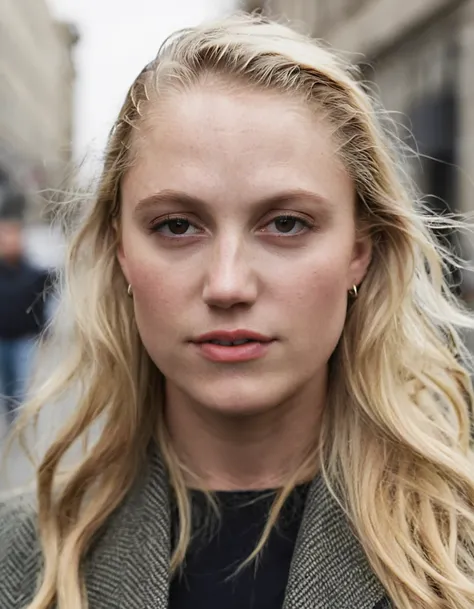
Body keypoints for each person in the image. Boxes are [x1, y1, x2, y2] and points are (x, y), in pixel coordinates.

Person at [1, 13, 474, 609]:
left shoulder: (457, 550)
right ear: (122, 252)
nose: (227, 284)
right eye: (176, 226)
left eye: (285, 224)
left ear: (359, 252)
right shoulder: (22, 560)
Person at [0, 218, 52, 427]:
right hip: (1, 337)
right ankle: (11, 413)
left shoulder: (33, 273)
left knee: (20, 383)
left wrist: (43, 329)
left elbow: (46, 298)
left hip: (24, 338)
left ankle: (18, 420)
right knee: (6, 383)